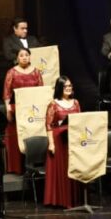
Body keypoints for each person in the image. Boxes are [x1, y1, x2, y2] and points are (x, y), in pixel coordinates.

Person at [2, 47, 44, 174]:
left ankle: (36, 162)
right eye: (21, 55)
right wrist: (8, 109)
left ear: (30, 57)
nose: (24, 57)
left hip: (33, 108)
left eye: (26, 55)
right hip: (18, 109)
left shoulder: (36, 72)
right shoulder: (11, 72)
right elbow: (7, 94)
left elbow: (41, 91)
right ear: (17, 58)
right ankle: (18, 167)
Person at [43, 76, 82, 208]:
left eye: (70, 86)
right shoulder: (53, 104)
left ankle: (73, 198)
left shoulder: (76, 102)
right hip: (59, 140)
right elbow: (49, 125)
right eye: (65, 86)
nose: (68, 88)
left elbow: (80, 119)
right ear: (60, 88)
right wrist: (51, 143)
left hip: (73, 139)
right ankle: (62, 200)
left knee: (73, 167)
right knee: (62, 169)